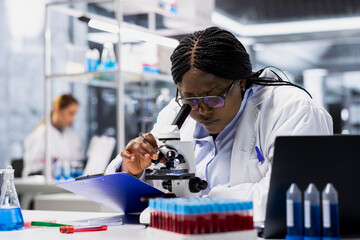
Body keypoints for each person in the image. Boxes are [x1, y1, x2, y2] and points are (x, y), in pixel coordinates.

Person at [106, 27, 333, 222]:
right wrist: (131, 170)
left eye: (213, 97)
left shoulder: (291, 110)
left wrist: (195, 204)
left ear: (241, 82)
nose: (203, 110)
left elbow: (290, 196)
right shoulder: (175, 114)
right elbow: (124, 191)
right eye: (191, 99)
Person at [23, 94, 84, 177]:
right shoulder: (42, 134)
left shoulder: (71, 134)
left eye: (75, 114)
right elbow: (33, 170)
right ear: (58, 109)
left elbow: (78, 161)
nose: (73, 119)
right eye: (70, 113)